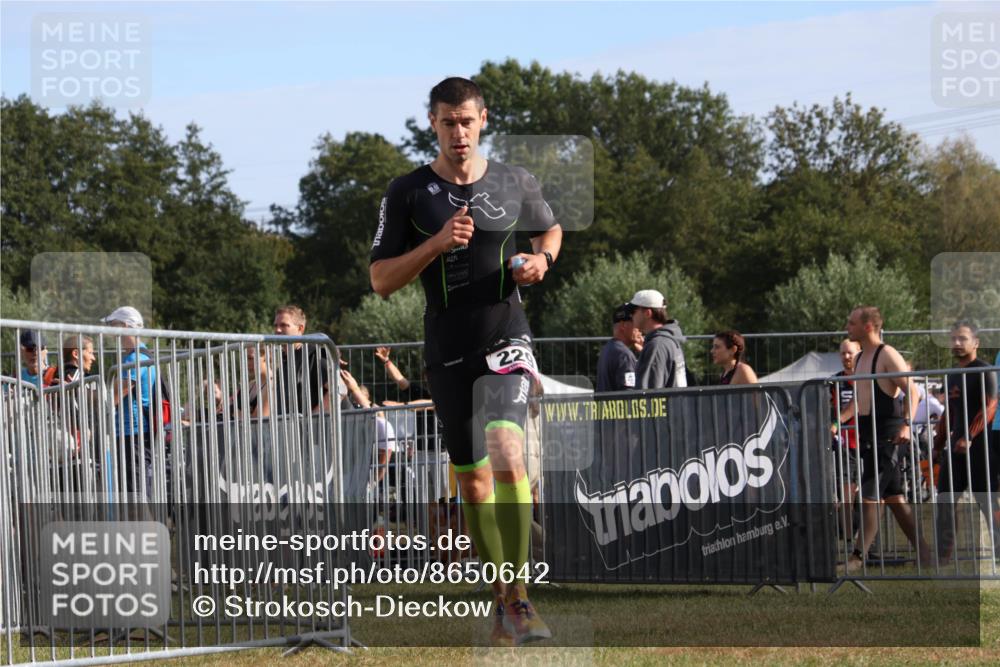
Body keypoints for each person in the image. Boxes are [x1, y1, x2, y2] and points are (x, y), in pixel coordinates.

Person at [369, 76, 561, 646]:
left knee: (508, 450)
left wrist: (541, 260)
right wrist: (434, 244)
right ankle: (502, 596)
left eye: (467, 121)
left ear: (483, 121)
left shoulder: (513, 180)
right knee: (473, 486)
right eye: (448, 122)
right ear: (433, 122)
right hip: (447, 347)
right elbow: (380, 280)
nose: (459, 131)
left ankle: (522, 597)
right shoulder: (407, 192)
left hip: (506, 334)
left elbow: (549, 228)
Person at [843, 306, 932, 571]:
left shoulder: (887, 354)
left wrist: (906, 425)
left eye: (852, 323)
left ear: (868, 326)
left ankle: (857, 558)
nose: (847, 327)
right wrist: (837, 422)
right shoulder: (860, 359)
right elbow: (860, 401)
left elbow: (912, 392)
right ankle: (927, 554)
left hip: (890, 437)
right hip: (868, 435)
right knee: (894, 497)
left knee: (869, 496)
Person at [933, 320, 999, 563]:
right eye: (954, 339)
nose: (957, 343)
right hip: (956, 449)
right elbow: (949, 412)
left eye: (963, 338)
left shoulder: (985, 370)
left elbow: (990, 406)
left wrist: (969, 436)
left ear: (976, 342)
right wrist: (937, 444)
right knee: (945, 499)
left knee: (987, 502)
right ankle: (943, 555)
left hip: (981, 448)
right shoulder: (951, 375)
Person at [103, 306, 164, 501]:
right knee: (135, 490)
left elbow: (117, 393)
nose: (113, 334)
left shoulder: (135, 358)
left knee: (135, 492)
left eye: (114, 327)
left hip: (133, 432)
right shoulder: (144, 355)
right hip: (135, 432)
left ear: (127, 327)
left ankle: (147, 530)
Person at [272, 305, 331, 415]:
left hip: (330, 428)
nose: (277, 330)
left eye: (284, 325)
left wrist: (312, 420)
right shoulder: (284, 359)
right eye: (276, 325)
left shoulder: (314, 355)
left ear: (300, 328)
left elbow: (339, 390)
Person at [830, 338, 861, 541]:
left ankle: (866, 540)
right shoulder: (834, 381)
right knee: (847, 493)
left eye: (850, 352)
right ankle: (850, 538)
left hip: (868, 441)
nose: (846, 357)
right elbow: (828, 408)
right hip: (845, 445)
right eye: (842, 353)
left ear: (860, 352)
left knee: (867, 495)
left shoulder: (867, 378)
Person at [629, 289, 688, 389]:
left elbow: (649, 395)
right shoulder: (668, 340)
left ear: (648, 313)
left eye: (633, 311)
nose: (631, 315)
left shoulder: (657, 345)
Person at [596, 304, 641, 392]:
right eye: (636, 322)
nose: (640, 328)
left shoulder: (608, 348)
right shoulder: (624, 355)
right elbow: (629, 395)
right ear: (623, 325)